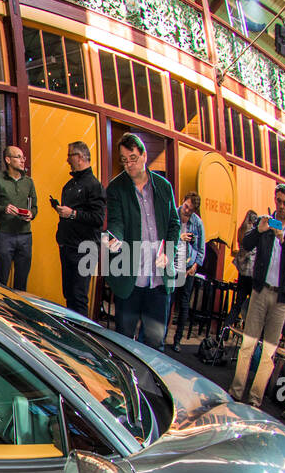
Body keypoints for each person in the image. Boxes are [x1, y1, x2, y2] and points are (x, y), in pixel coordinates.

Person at [229, 183, 285, 407]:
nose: (280, 206)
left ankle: (255, 399)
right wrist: (259, 230)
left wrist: (282, 240)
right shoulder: (264, 223)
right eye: (278, 201)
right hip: (260, 292)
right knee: (248, 344)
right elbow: (245, 243)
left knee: (268, 352)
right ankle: (236, 391)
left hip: (281, 299)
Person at [104, 132, 179, 350]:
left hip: (158, 281)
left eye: (133, 158)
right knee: (124, 342)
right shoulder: (116, 188)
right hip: (130, 280)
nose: (129, 165)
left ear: (144, 155)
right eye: (124, 160)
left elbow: (174, 224)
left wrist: (169, 253)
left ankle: (148, 385)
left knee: (155, 343)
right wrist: (114, 237)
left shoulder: (164, 187)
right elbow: (116, 221)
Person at [54, 141, 105, 315]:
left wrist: (73, 214)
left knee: (79, 297)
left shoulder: (94, 185)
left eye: (70, 155)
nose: (67, 159)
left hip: (84, 249)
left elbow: (98, 219)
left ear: (80, 157)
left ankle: (81, 337)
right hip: (67, 246)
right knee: (69, 294)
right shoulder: (69, 185)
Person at [0, 144, 37, 291]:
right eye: (18, 157)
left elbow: (34, 207)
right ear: (8, 160)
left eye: (23, 157)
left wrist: (31, 214)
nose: (23, 160)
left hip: (25, 236)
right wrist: (4, 209)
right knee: (2, 281)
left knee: (21, 283)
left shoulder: (29, 182)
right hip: (4, 236)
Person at [168, 192, 205, 352]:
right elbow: (165, 237)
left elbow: (201, 249)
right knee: (168, 300)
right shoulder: (173, 215)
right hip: (171, 264)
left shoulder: (197, 223)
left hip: (187, 267)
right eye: (186, 206)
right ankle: (161, 335)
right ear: (183, 201)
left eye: (190, 209)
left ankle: (177, 340)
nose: (187, 210)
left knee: (183, 305)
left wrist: (195, 266)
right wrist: (179, 237)